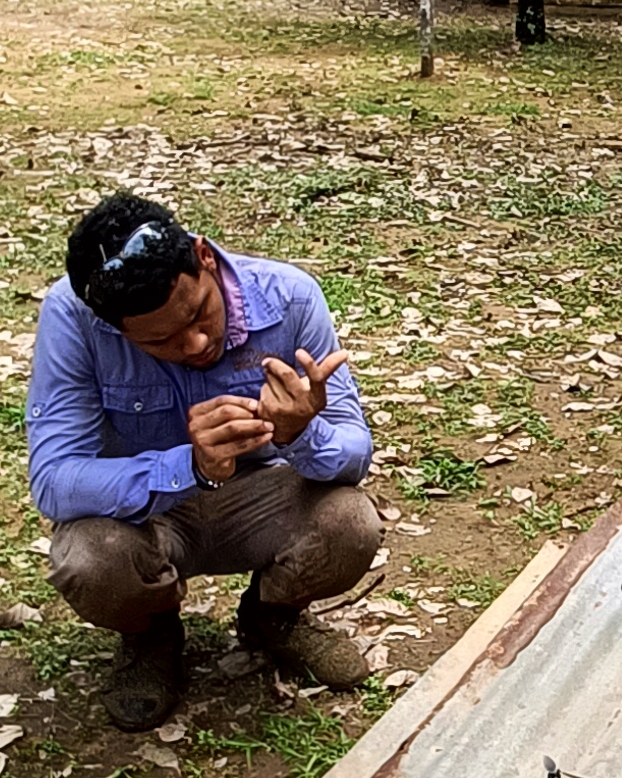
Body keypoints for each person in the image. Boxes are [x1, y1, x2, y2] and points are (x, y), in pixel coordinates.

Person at [27, 189, 381, 727]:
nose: (194, 343)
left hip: (262, 499)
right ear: (112, 327)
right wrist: (186, 466)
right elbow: (54, 481)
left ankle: (272, 617)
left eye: (199, 313)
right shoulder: (74, 317)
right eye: (161, 341)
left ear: (205, 258)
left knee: (350, 522)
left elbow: (355, 454)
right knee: (88, 559)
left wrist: (299, 432)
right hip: (147, 516)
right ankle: (152, 636)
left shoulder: (290, 297)